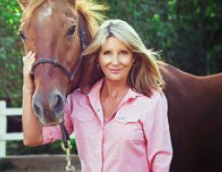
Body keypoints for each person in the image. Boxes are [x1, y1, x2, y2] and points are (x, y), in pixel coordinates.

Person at [22, 19, 173, 172]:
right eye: (107, 53)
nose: (115, 62)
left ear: (133, 57)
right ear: (98, 58)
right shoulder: (78, 101)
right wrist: (28, 86)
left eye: (123, 53)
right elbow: (33, 138)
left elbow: (160, 160)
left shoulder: (150, 101)